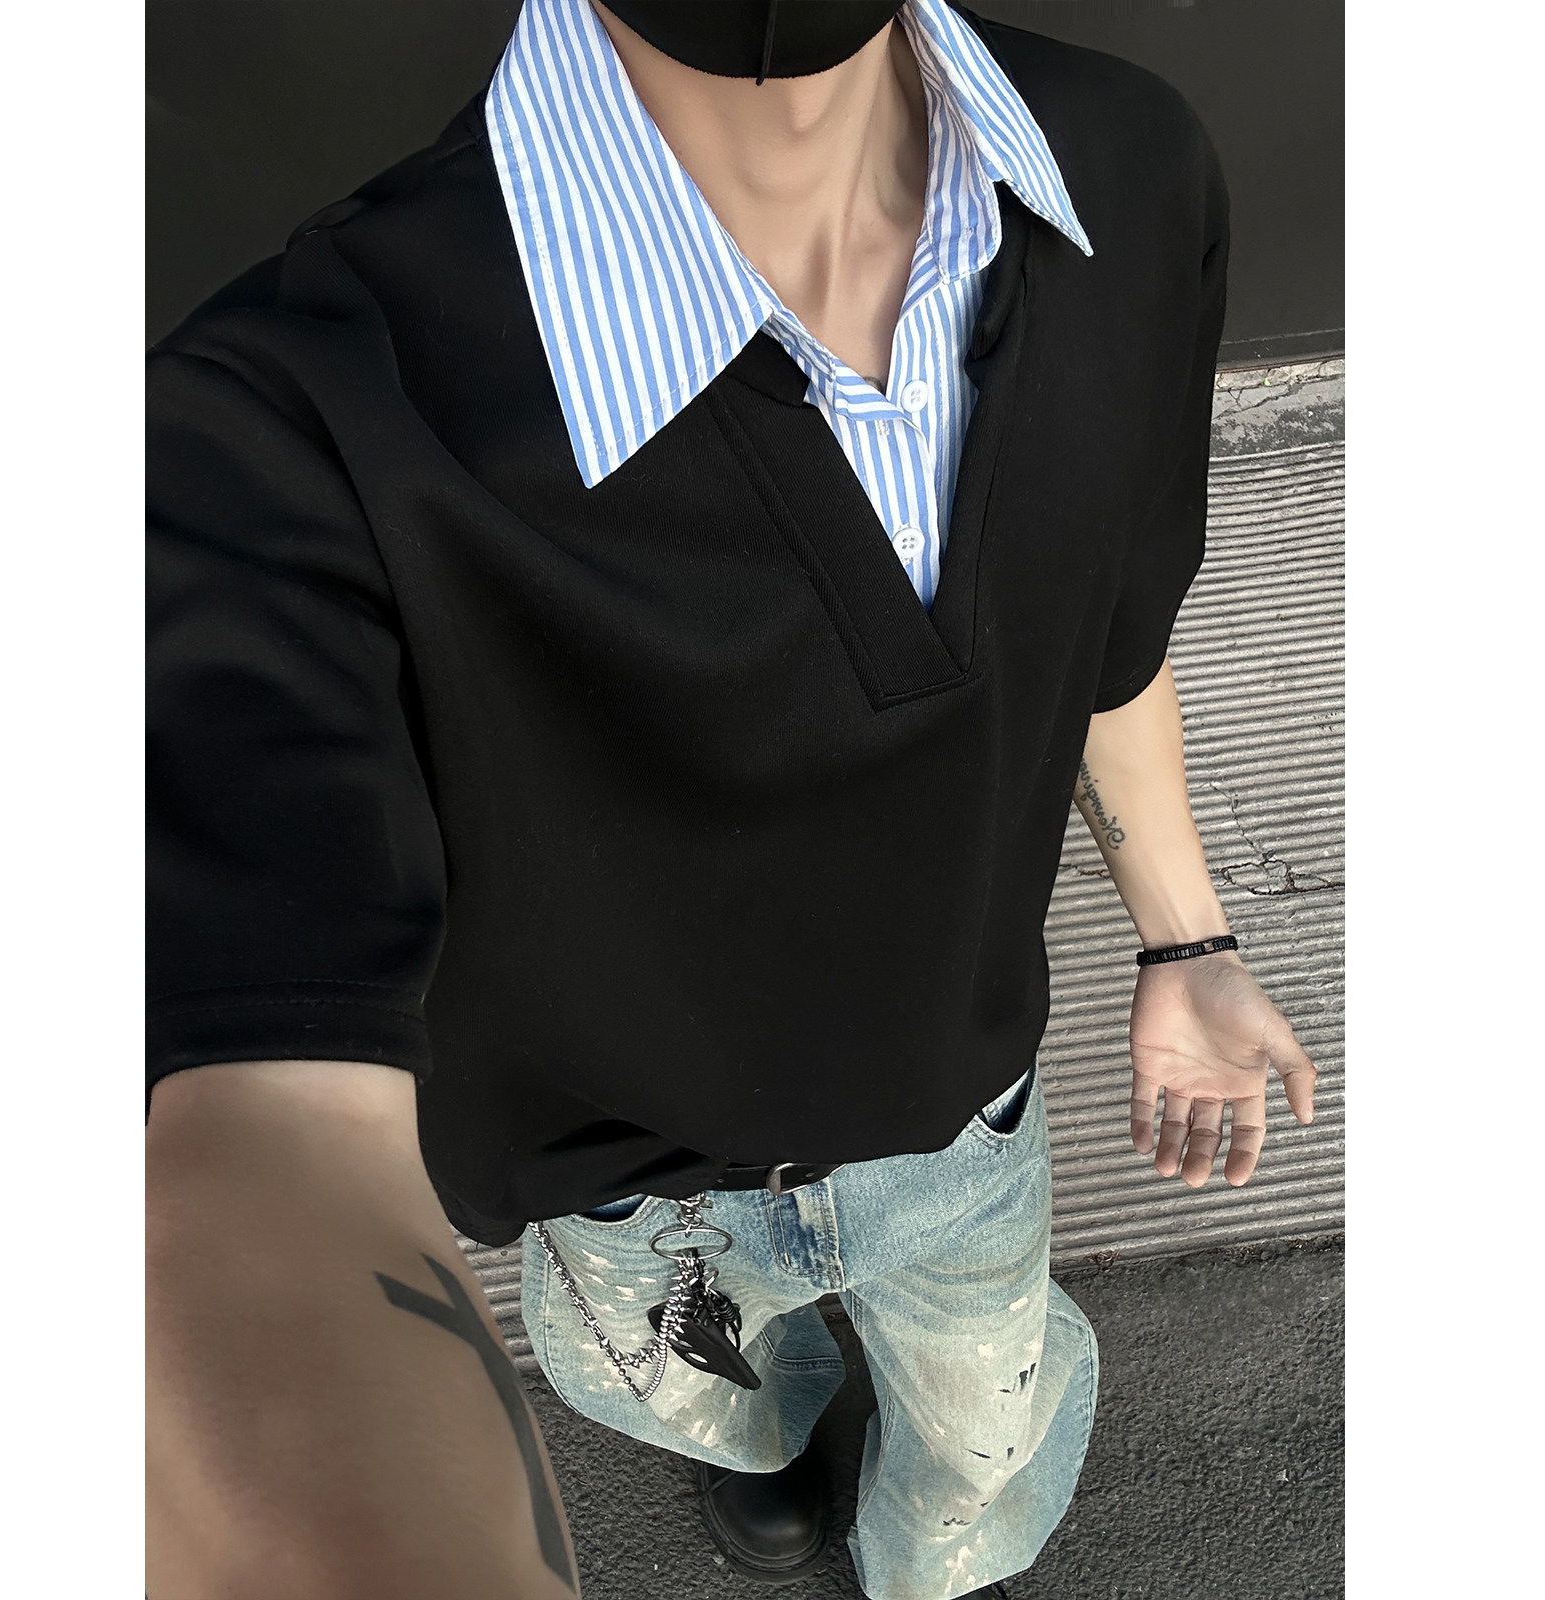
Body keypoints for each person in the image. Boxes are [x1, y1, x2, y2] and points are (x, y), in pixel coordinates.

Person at [145, 3, 1317, 1597]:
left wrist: (1188, 940)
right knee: (700, 1401)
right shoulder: (279, 427)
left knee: (979, 1463)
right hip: (623, 1198)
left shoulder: (1129, 173)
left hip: (959, 1119)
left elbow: (1111, 645)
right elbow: (262, 1119)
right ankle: (765, 1444)